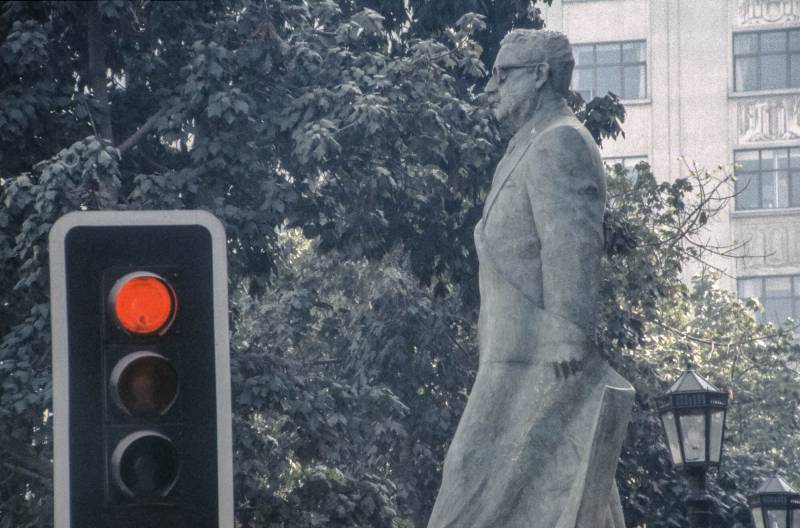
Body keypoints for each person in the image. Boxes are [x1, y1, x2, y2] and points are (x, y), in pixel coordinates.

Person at [426, 29, 635, 528]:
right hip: (512, 351)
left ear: (541, 75)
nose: (490, 87)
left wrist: (567, 332)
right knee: (557, 487)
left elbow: (572, 240)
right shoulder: (529, 144)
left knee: (468, 490)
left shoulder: (561, 141)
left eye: (503, 74)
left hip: (539, 357)